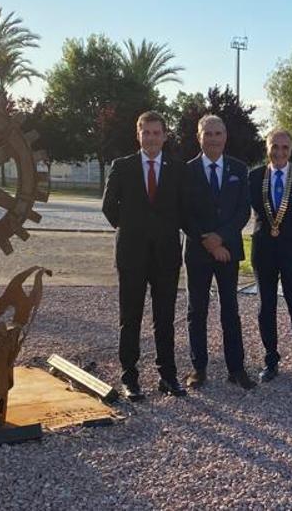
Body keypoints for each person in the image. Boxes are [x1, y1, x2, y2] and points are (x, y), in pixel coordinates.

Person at [101, 111, 187, 400]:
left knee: (165, 318)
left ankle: (168, 375)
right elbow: (108, 206)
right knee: (130, 317)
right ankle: (130, 378)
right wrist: (132, 230)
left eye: (156, 132)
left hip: (166, 256)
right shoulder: (122, 167)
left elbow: (183, 209)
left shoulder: (177, 169)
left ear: (164, 135)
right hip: (131, 254)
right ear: (138, 135)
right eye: (145, 132)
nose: (151, 138)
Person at [181, 115, 256, 390]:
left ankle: (236, 368)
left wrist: (221, 239)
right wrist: (208, 242)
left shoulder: (239, 168)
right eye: (208, 133)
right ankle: (198, 368)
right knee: (196, 311)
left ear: (225, 136)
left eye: (218, 133)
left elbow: (243, 211)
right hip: (198, 251)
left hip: (229, 251)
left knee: (230, 311)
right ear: (199, 137)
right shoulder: (186, 170)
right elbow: (184, 213)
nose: (213, 138)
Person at [249, 129, 292, 387]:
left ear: (291, 150)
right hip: (264, 253)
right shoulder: (255, 177)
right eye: (274, 147)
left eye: (284, 148)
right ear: (266, 147)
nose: (279, 152)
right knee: (265, 308)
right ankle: (270, 360)